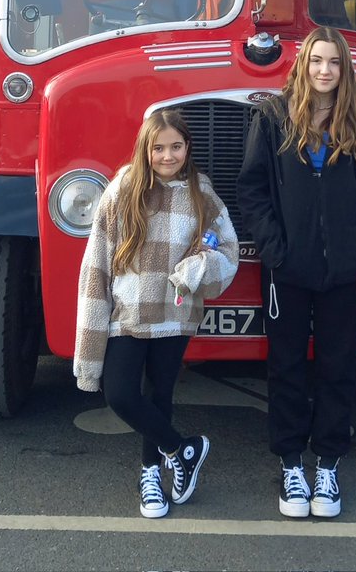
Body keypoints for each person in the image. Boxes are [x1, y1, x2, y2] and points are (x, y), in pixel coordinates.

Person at [237, 26, 356, 520]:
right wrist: (276, 250)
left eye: (333, 62)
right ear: (302, 65)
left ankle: (327, 464)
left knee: (337, 368)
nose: (324, 70)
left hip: (344, 271)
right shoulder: (272, 118)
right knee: (285, 368)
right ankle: (291, 464)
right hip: (286, 269)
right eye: (316, 61)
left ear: (344, 69)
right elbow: (252, 191)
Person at [74, 108, 239, 519]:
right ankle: (183, 450)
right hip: (127, 314)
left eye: (176, 147)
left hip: (175, 314)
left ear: (188, 147)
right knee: (120, 394)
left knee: (159, 394)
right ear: (145, 149)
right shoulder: (122, 189)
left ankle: (151, 474)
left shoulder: (202, 192)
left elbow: (227, 250)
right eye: (159, 148)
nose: (168, 156)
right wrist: (90, 335)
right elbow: (96, 265)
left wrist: (198, 268)